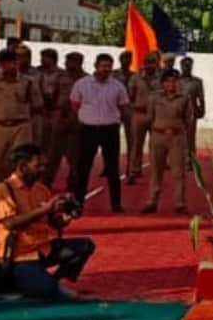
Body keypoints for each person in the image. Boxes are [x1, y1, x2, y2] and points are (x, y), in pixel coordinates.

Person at [0, 143, 94, 300]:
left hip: (42, 249)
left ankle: (52, 281)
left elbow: (52, 222)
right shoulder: (4, 190)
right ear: (23, 166)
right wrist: (45, 210)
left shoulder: (41, 190)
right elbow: (9, 223)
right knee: (45, 290)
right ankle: (35, 282)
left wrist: (64, 219)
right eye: (38, 166)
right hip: (19, 255)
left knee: (85, 246)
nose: (43, 169)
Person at [70, 53, 129, 213]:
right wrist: (86, 117)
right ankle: (78, 203)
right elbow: (75, 104)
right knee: (83, 167)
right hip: (88, 129)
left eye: (109, 66)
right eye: (103, 66)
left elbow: (123, 107)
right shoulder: (82, 84)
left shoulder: (118, 86)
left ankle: (116, 205)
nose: (106, 69)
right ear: (96, 65)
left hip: (110, 130)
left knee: (113, 169)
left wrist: (116, 122)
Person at [0, 49, 39, 190]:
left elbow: (37, 104)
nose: (10, 67)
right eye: (6, 63)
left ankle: (20, 193)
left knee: (20, 162)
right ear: (1, 65)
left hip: (21, 126)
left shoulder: (28, 82)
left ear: (17, 63)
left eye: (13, 63)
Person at [143, 68, 193, 214]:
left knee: (179, 172)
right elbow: (149, 117)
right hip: (158, 136)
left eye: (174, 81)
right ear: (163, 83)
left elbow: (188, 119)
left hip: (177, 137)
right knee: (156, 171)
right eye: (168, 81)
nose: (171, 84)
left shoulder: (184, 98)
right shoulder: (154, 98)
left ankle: (180, 203)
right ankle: (152, 201)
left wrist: (177, 129)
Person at [49, 51, 87, 187]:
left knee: (76, 152)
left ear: (78, 63)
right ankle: (48, 180)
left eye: (70, 61)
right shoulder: (60, 77)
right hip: (60, 116)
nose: (66, 63)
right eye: (66, 60)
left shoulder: (86, 80)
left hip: (78, 117)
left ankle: (74, 179)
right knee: (54, 151)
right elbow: (54, 96)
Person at [126, 51, 161, 184]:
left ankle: (156, 172)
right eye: (148, 63)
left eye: (153, 63)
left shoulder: (161, 78)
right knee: (135, 144)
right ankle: (134, 171)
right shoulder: (136, 78)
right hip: (139, 113)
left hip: (156, 115)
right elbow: (130, 96)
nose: (150, 66)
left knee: (156, 145)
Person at [33, 48, 65, 182]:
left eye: (45, 57)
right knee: (37, 144)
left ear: (53, 59)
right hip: (39, 112)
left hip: (55, 112)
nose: (42, 60)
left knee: (52, 147)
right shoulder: (36, 72)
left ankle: (48, 177)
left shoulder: (61, 74)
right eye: (41, 57)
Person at [179, 57, 205, 172]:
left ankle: (190, 161)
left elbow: (201, 98)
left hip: (191, 113)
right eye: (185, 65)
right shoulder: (176, 81)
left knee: (190, 139)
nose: (187, 67)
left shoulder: (197, 82)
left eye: (189, 65)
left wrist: (202, 109)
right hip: (178, 112)